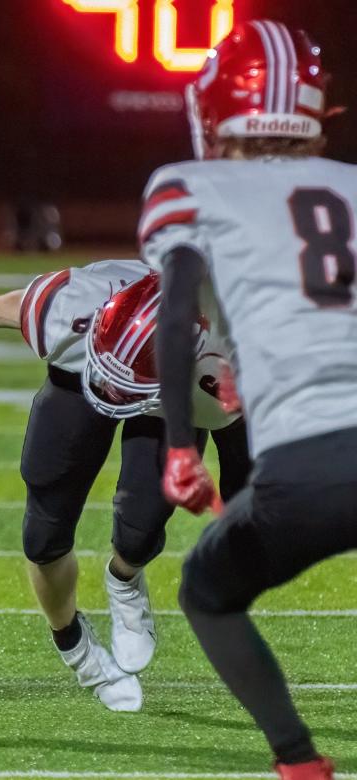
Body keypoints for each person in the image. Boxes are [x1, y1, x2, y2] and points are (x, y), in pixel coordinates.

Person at [0, 260, 249, 711]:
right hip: (78, 377)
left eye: (121, 389)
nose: (112, 394)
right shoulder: (73, 305)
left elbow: (243, 463)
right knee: (44, 533)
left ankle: (124, 580)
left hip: (172, 401)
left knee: (142, 528)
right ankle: (73, 642)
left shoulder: (228, 372)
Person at [144, 20, 356, 779]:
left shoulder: (190, 184)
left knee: (208, 592)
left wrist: (177, 447)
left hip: (311, 466)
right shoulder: (352, 185)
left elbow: (174, 318)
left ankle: (298, 760)